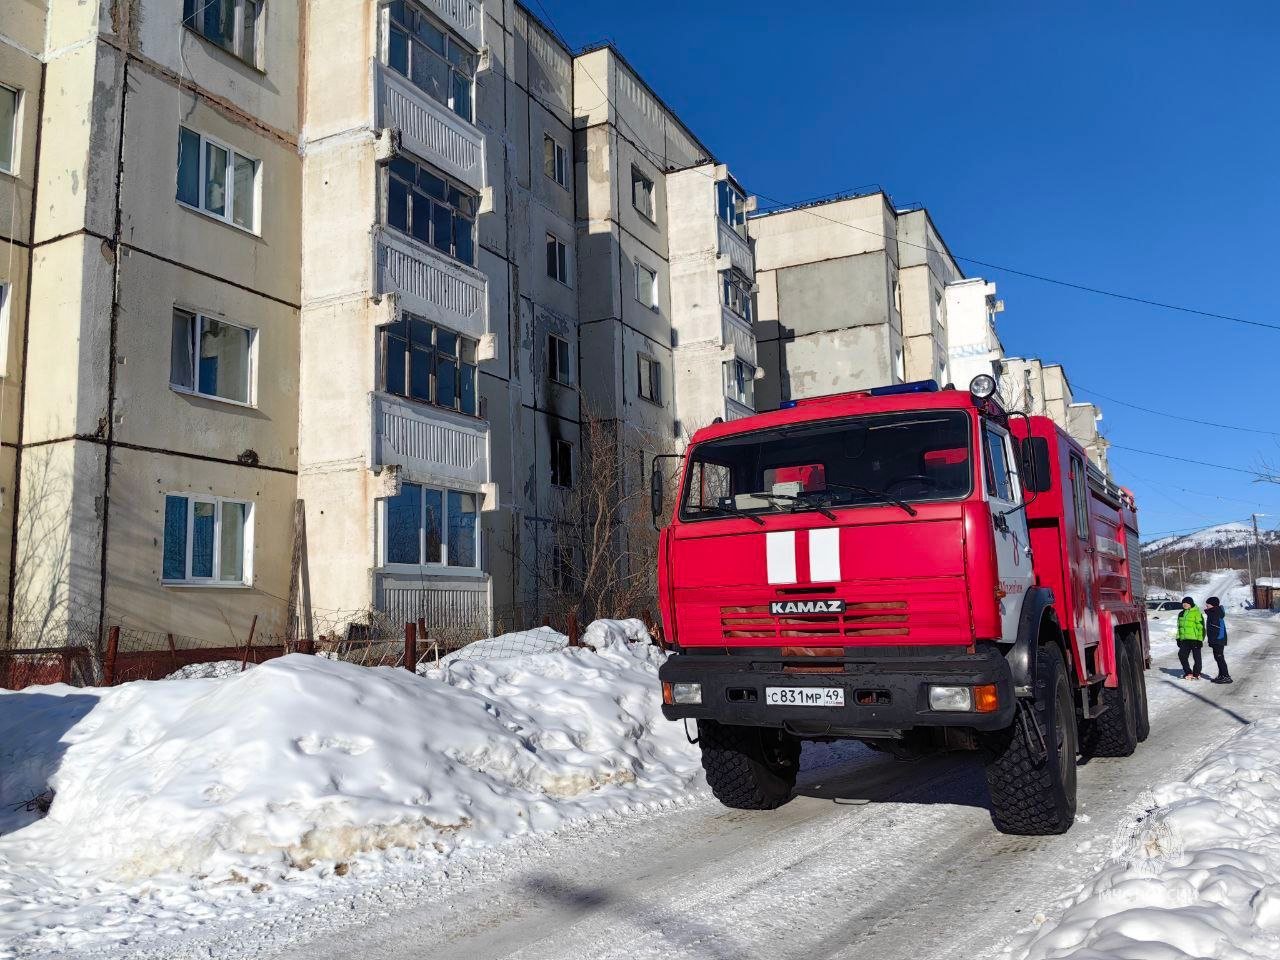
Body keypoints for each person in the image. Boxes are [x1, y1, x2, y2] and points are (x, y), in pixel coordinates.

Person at [1176, 596, 1205, 680]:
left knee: (1197, 658)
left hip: (1195, 639)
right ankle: (1188, 672)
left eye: (1187, 603)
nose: (1184, 605)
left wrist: (1200, 640)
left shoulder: (1197, 613)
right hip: (1185, 640)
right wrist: (1178, 638)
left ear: (1191, 604)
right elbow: (1179, 628)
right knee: (1181, 655)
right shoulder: (1181, 613)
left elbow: (1201, 627)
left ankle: (1196, 673)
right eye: (1183, 603)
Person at [1205, 596, 1232, 684]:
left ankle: (1226, 676)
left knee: (1220, 658)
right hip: (1215, 640)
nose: (1206, 605)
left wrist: (1217, 640)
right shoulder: (1212, 612)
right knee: (1218, 658)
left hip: (1218, 640)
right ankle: (1221, 675)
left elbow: (1219, 629)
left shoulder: (1216, 613)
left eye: (1208, 604)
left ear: (1213, 604)